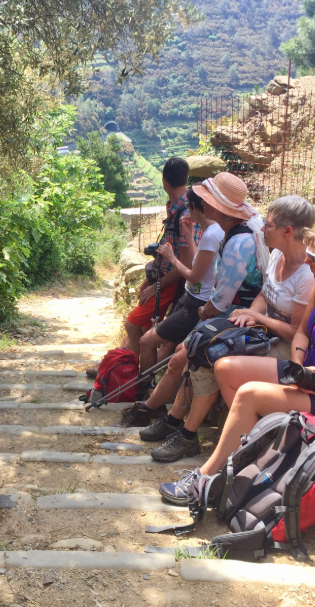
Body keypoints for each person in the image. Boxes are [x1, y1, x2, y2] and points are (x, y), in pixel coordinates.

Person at [158, 220, 315, 504]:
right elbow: (303, 332)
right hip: (311, 378)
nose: (306, 260)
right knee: (226, 367)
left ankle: (208, 480)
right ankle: (252, 455)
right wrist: (298, 368)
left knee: (247, 395)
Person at [119, 173, 270, 455]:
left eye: (202, 201)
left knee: (186, 355)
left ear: (213, 207)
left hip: (236, 317)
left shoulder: (238, 243)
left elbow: (220, 297)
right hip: (231, 314)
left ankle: (176, 425)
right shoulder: (234, 235)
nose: (198, 206)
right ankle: (171, 420)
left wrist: (202, 312)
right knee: (180, 355)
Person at [135, 187, 224, 381]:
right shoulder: (214, 230)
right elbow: (197, 262)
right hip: (191, 298)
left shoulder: (211, 235)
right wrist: (190, 234)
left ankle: (142, 388)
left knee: (146, 341)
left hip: (194, 303)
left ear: (194, 207)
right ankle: (152, 388)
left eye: (187, 206)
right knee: (167, 345)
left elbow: (193, 276)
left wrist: (171, 258)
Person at [123, 158, 202, 364]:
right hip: (162, 276)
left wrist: (156, 287)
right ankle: (123, 363)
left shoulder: (185, 214)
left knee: (132, 325)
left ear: (164, 181)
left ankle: (130, 376)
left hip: (171, 282)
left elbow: (185, 263)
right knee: (142, 324)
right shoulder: (178, 207)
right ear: (186, 179)